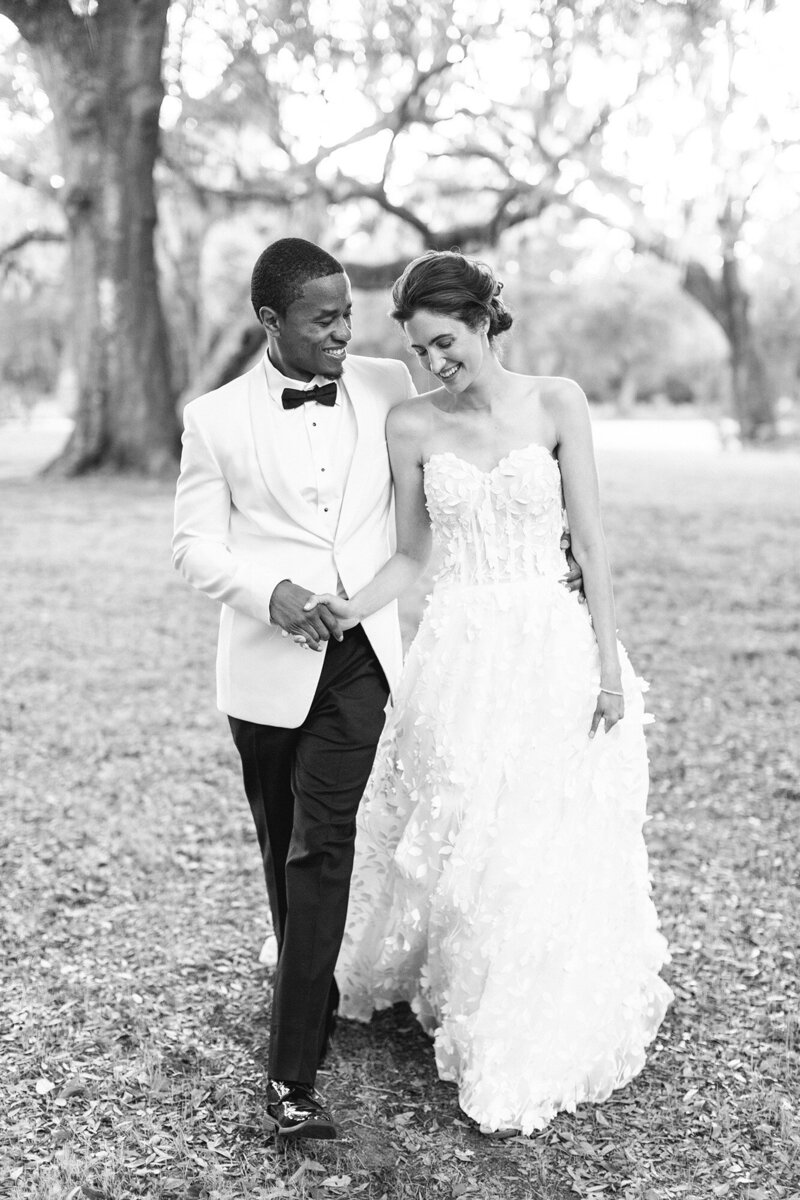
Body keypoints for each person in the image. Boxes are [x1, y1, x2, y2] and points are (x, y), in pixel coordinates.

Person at [306, 250, 674, 1136]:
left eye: (444, 342)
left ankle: (528, 1015)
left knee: (537, 836)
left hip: (550, 647)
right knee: (472, 831)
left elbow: (591, 544)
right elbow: (410, 555)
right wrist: (346, 608)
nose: (436, 363)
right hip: (461, 657)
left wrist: (607, 667)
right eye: (420, 350)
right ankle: (476, 992)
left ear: (482, 321)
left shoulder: (558, 402)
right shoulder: (409, 426)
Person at [171, 238, 419, 1140]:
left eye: (349, 314)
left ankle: (291, 1081)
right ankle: (307, 991)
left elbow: (468, 430)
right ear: (270, 320)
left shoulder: (390, 385)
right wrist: (268, 595)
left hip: (359, 655)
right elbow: (193, 546)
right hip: (265, 672)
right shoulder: (214, 417)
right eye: (324, 319)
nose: (344, 332)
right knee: (284, 850)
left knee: (323, 844)